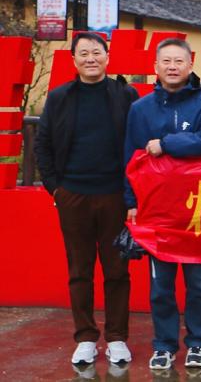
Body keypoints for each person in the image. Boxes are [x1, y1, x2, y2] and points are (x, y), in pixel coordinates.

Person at [35, 32, 139, 366]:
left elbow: (137, 143)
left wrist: (132, 192)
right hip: (73, 195)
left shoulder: (125, 95)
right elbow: (42, 144)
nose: (90, 58)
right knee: (79, 270)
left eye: (96, 52)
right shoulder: (60, 97)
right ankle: (85, 337)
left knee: (117, 270)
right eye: (83, 53)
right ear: (74, 60)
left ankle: (117, 338)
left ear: (107, 57)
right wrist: (56, 189)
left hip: (115, 196)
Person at [124, 38, 201, 370]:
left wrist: (166, 144)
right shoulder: (140, 109)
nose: (172, 67)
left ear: (190, 64)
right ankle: (164, 345)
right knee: (160, 286)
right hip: (157, 212)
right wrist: (131, 200)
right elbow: (130, 157)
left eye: (178, 61)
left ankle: (197, 343)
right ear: (155, 66)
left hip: (199, 211)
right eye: (165, 61)